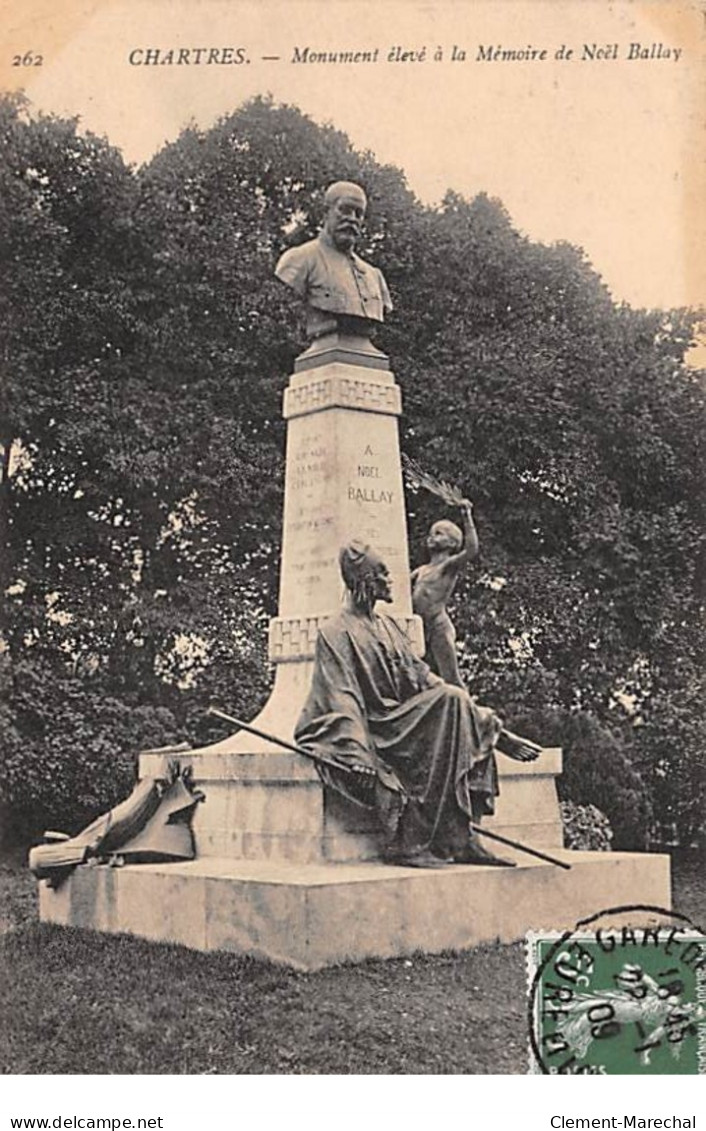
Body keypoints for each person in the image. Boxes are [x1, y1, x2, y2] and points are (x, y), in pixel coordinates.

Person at [295, 540, 525, 867]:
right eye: (383, 573)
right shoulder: (336, 631)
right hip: (377, 724)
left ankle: (463, 837)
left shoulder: (388, 625)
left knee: (457, 703)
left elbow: (422, 677)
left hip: (401, 718)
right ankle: (410, 841)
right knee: (451, 704)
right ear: (364, 581)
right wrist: (357, 748)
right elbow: (340, 695)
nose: (392, 580)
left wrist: (485, 720)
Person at [275, 181, 393, 339]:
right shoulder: (299, 259)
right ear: (326, 213)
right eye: (344, 210)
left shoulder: (375, 276)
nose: (352, 219)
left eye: (358, 213)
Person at [411, 498, 479, 686]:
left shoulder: (447, 566)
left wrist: (467, 516)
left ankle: (467, 711)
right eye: (431, 534)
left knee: (451, 676)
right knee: (419, 673)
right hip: (420, 626)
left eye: (438, 534)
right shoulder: (421, 570)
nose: (432, 537)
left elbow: (471, 550)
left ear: (452, 543)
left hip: (438, 625)